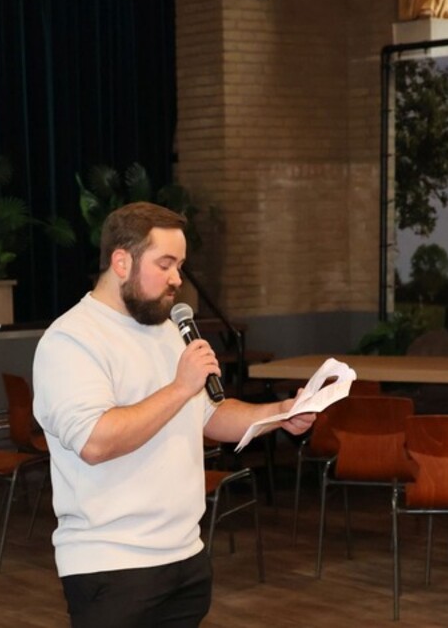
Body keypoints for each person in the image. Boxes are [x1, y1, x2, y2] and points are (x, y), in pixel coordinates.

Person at [32, 201, 313, 628]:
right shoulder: (72, 340)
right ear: (121, 262)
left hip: (185, 557)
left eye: (179, 266)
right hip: (112, 565)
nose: (177, 279)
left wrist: (279, 413)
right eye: (164, 264)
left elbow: (209, 416)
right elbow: (95, 441)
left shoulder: (168, 329)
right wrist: (181, 386)